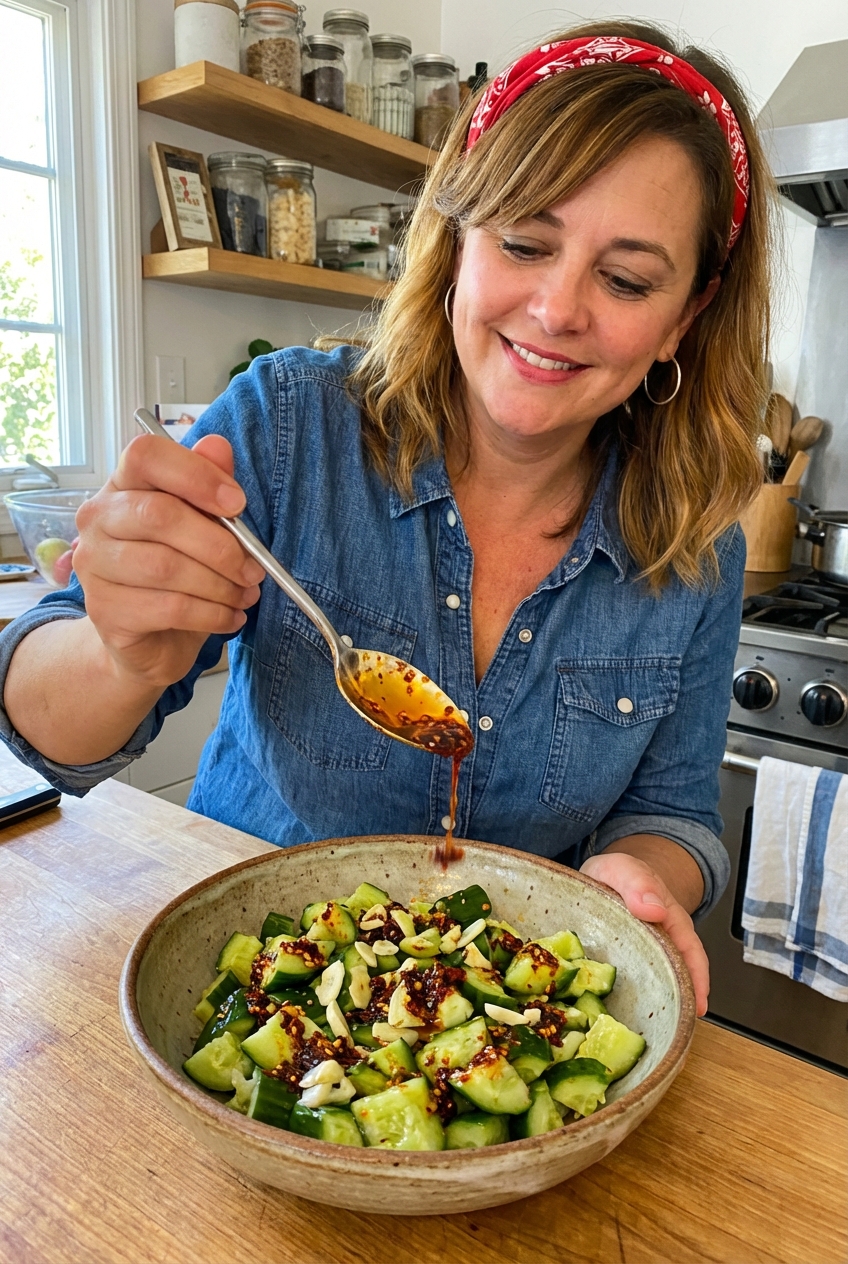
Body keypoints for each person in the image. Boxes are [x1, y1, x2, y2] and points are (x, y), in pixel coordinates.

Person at [0, 21, 773, 1016]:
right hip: (242, 991)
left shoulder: (697, 548)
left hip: (489, 1018)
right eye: (523, 242)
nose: (554, 308)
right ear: (455, 239)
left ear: (685, 315)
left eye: (624, 279)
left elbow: (671, 812)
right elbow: (40, 721)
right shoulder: (286, 427)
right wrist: (122, 652)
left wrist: (639, 877)